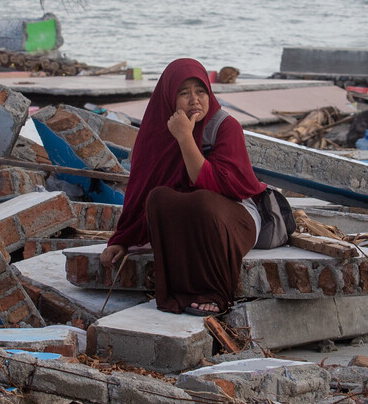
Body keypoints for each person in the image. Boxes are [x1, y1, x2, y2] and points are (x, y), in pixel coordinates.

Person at [101, 58, 266, 316]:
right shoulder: (155, 133)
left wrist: (185, 138)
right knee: (158, 198)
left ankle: (215, 293)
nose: (194, 100)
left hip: (234, 220)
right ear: (169, 96)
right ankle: (178, 293)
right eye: (184, 93)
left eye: (200, 91)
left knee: (201, 201)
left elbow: (220, 185)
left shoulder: (225, 126)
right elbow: (140, 192)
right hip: (189, 223)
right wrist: (123, 240)